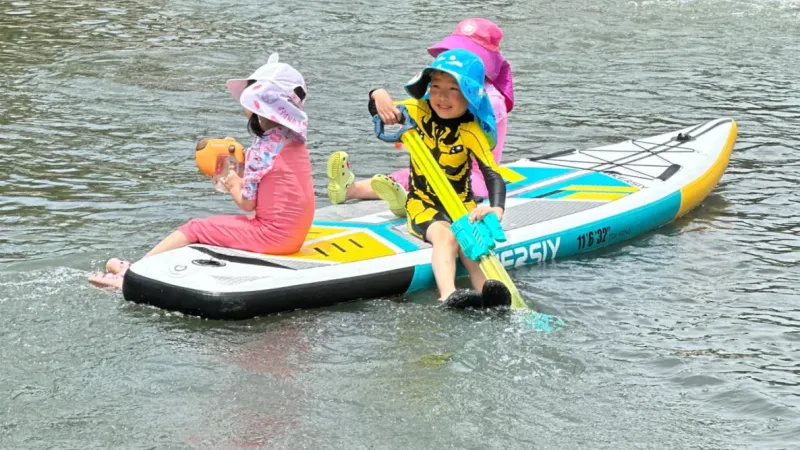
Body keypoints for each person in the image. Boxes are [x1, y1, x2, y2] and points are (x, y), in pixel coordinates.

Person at [89, 53, 315, 289]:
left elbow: (247, 204)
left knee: (196, 227)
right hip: (295, 233)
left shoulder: (262, 152)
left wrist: (233, 183)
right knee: (216, 225)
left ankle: (134, 273)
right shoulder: (293, 140)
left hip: (274, 237)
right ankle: (137, 269)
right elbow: (276, 179)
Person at [326, 18, 515, 217]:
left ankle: (406, 200)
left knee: (438, 180)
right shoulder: (441, 95)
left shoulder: (490, 100)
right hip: (435, 165)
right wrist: (378, 95)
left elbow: (454, 128)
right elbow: (415, 113)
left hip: (472, 176)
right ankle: (349, 188)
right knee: (407, 175)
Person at [369, 49, 511, 308]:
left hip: (461, 205)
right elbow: (380, 110)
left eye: (453, 89)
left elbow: (492, 173)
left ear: (470, 95)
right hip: (424, 204)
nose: (442, 97)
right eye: (435, 86)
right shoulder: (417, 112)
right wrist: (378, 94)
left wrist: (497, 208)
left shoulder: (472, 131)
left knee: (473, 244)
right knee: (446, 237)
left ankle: (488, 294)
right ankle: (448, 296)